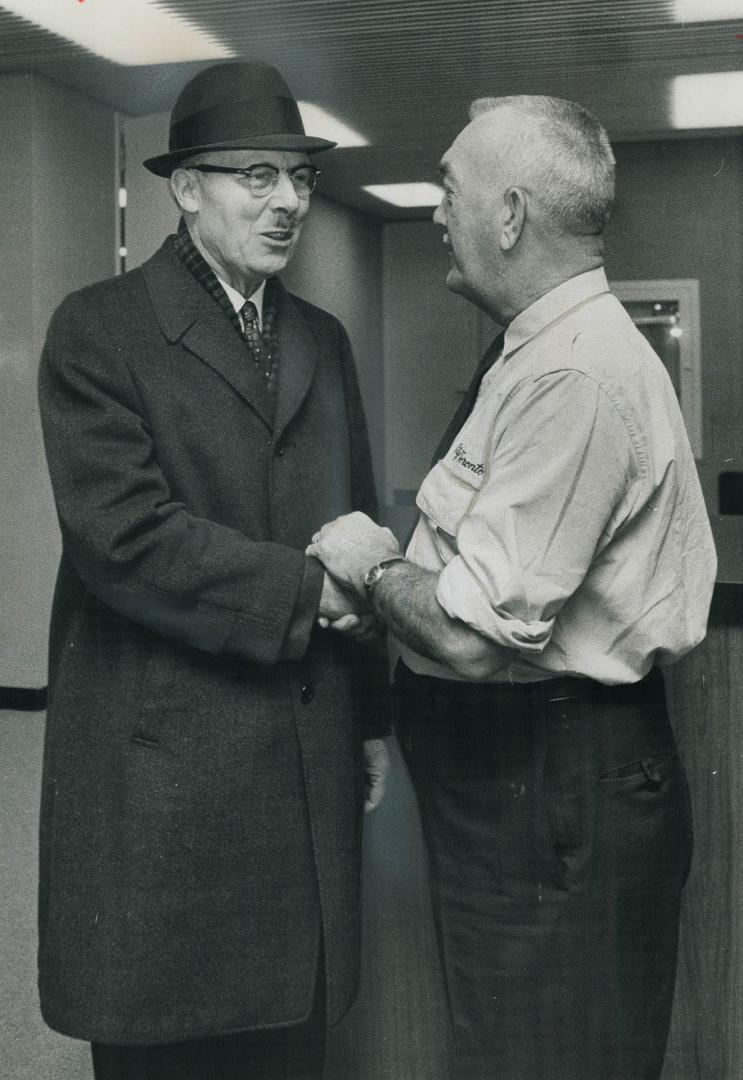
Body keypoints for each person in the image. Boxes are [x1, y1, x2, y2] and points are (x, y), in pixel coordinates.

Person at [308, 95, 716, 1080]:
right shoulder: (535, 350)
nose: (436, 210)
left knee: (538, 1052)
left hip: (552, 782)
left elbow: (468, 638)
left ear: (509, 214)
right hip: (531, 781)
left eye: (449, 187)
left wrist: (365, 559)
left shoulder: (569, 371)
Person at [37, 61, 389, 1080]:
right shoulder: (98, 331)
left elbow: (355, 521)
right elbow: (126, 538)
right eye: (255, 176)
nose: (286, 201)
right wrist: (311, 591)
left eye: (299, 178)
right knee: (171, 1036)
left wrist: (368, 717)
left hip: (305, 743)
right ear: (186, 186)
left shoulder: (320, 340)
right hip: (163, 769)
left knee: (288, 1038)